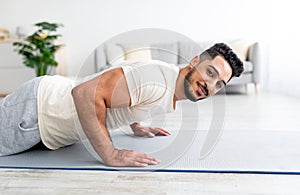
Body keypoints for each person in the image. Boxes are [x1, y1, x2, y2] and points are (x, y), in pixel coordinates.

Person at [0, 43, 244, 167]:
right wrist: (111, 154)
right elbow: (84, 94)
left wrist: (135, 124)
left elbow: (131, 91)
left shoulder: (167, 81)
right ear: (194, 62)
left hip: (46, 114)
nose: (210, 86)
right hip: (38, 112)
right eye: (210, 73)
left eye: (219, 84)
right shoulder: (157, 82)